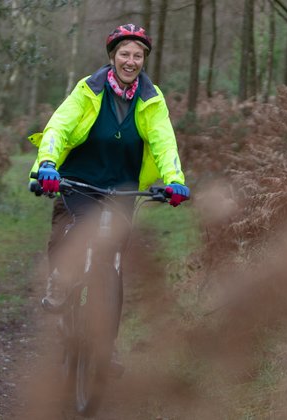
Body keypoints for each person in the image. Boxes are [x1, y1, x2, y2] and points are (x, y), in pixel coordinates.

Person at [27, 24, 189, 368]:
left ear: (144, 59)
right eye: (125, 54)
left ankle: (106, 346)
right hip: (77, 182)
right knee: (68, 236)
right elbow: (59, 126)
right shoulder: (88, 90)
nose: (131, 61)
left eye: (138, 55)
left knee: (111, 267)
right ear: (112, 57)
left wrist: (175, 180)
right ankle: (59, 282)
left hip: (124, 189)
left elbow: (164, 141)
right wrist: (47, 165)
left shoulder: (151, 98)